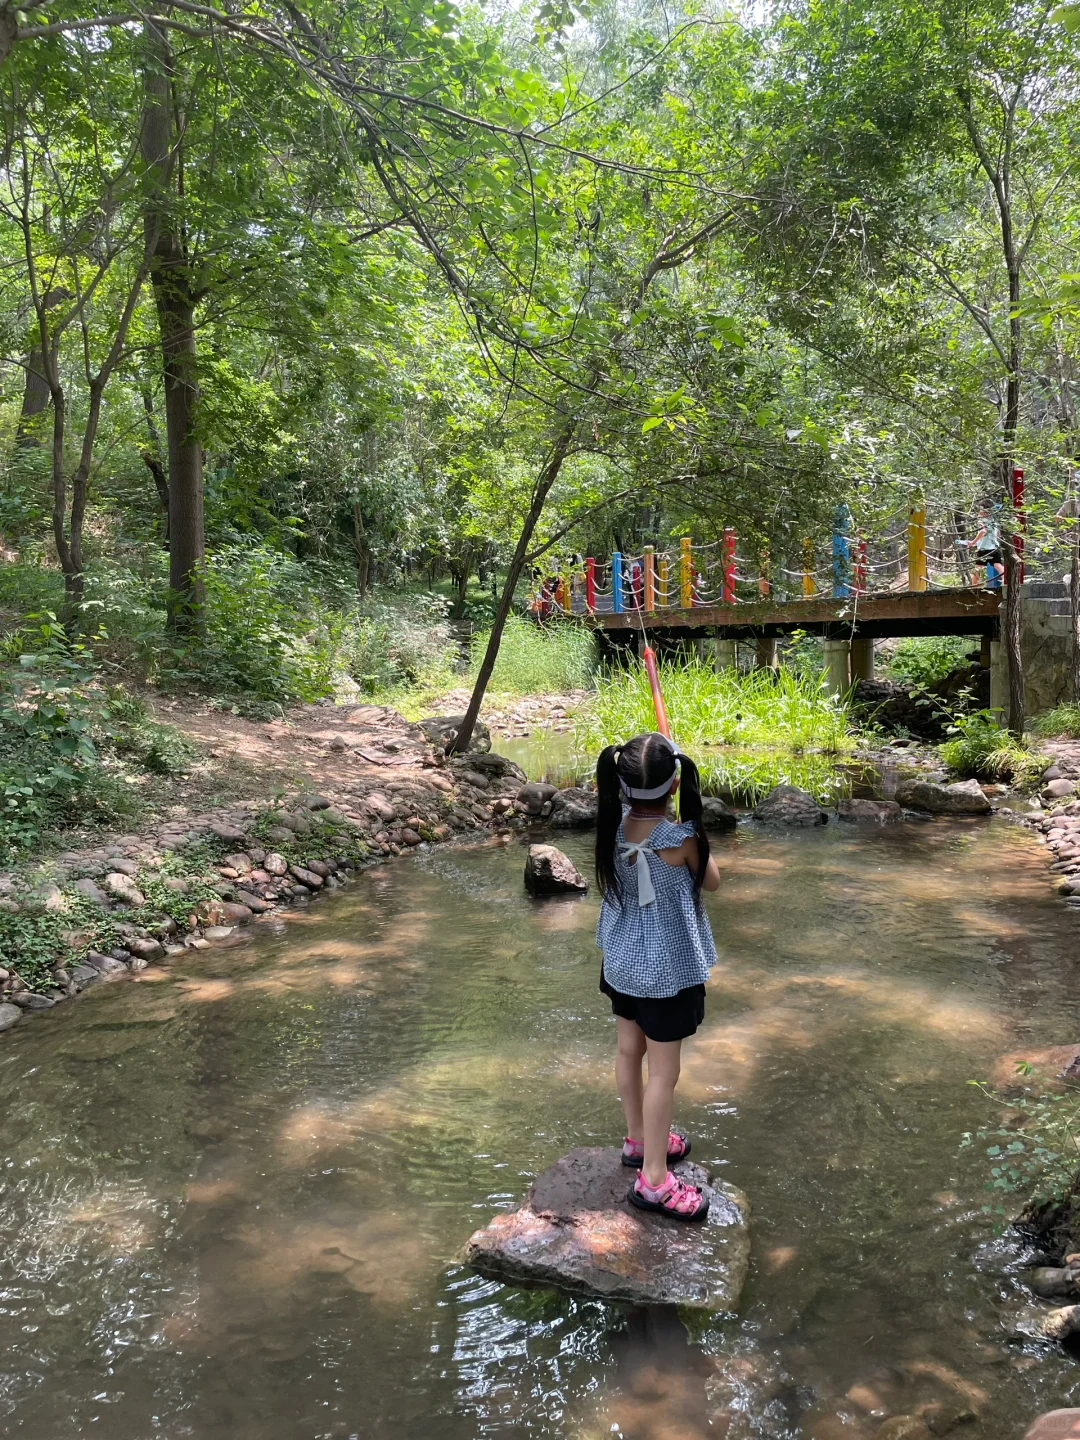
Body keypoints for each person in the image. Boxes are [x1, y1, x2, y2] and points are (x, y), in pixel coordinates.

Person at [594, 732, 721, 1221]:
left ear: (622, 787)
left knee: (629, 1051)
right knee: (663, 1074)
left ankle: (636, 1139)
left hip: (623, 963)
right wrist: (688, 824)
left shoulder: (613, 827)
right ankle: (653, 1180)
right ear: (674, 785)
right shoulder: (682, 839)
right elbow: (713, 881)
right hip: (667, 972)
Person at [959, 508, 1005, 587]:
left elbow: (983, 531)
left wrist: (973, 542)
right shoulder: (993, 521)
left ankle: (973, 586)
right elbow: (998, 533)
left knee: (978, 567)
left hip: (984, 549)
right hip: (994, 547)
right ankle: (1006, 580)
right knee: (997, 564)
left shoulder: (981, 520)